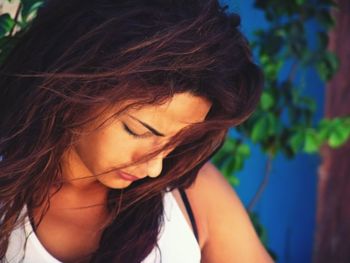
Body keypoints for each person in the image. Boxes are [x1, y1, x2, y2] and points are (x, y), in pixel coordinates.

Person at [0, 0, 274, 262]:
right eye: (139, 131)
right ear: (75, 89)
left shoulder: (194, 193)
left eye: (177, 142)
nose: (155, 168)